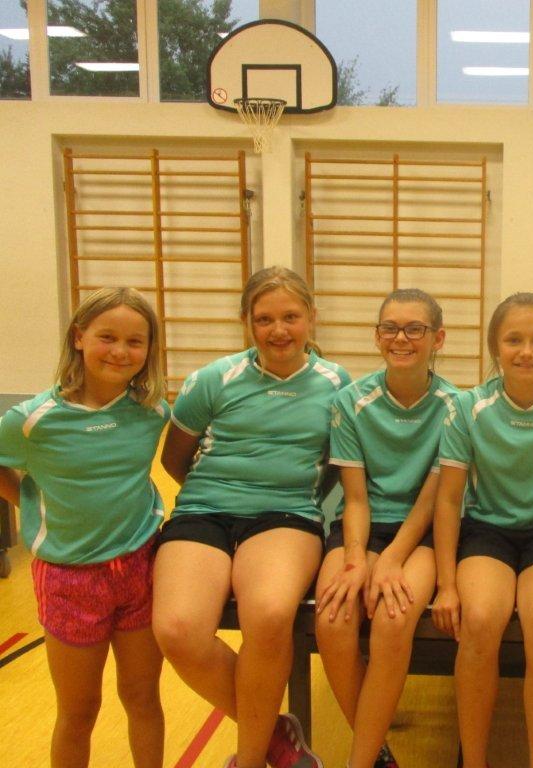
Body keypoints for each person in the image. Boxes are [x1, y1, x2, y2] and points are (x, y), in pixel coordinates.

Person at [151, 267, 349, 768]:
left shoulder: (337, 385)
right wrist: (214, 496)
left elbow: (338, 466)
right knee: (177, 630)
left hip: (286, 514)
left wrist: (291, 489)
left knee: (269, 613)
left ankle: (250, 757)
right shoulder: (212, 380)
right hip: (204, 511)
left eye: (291, 317)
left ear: (312, 318)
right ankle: (276, 735)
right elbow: (175, 458)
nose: (278, 330)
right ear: (246, 322)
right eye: (264, 319)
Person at [0, 287, 168, 768]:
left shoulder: (153, 413)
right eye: (107, 337)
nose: (120, 351)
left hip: (140, 569)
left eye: (135, 342)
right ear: (79, 337)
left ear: (149, 350)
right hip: (69, 579)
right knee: (78, 712)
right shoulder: (32, 421)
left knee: (143, 698)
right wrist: (27, 498)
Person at [431, 292, 533, 768]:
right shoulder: (468, 406)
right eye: (514, 340)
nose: (527, 351)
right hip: (488, 533)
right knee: (480, 620)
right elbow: (448, 500)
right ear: (495, 347)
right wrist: (446, 585)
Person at [315, 288, 457, 768]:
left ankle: (359, 761)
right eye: (390, 328)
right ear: (376, 337)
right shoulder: (351, 401)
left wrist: (392, 558)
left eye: (415, 329)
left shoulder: (456, 406)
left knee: (394, 619)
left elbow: (433, 500)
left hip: (425, 531)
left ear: (438, 338)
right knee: (332, 618)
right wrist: (357, 561)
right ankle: (377, 750)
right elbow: (355, 498)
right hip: (364, 526)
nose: (401, 338)